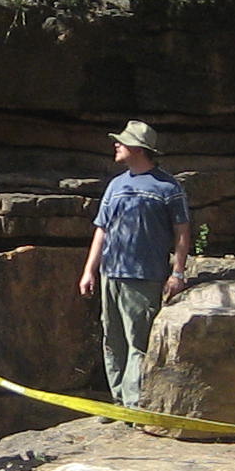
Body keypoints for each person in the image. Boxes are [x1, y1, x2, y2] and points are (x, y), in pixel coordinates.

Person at [77, 120, 194, 409]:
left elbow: (182, 232)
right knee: (112, 339)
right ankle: (118, 401)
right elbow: (102, 230)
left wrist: (178, 273)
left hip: (144, 277)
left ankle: (134, 405)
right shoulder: (116, 185)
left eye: (122, 141)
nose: (116, 145)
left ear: (139, 149)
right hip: (110, 274)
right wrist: (89, 271)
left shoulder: (168, 187)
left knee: (137, 342)